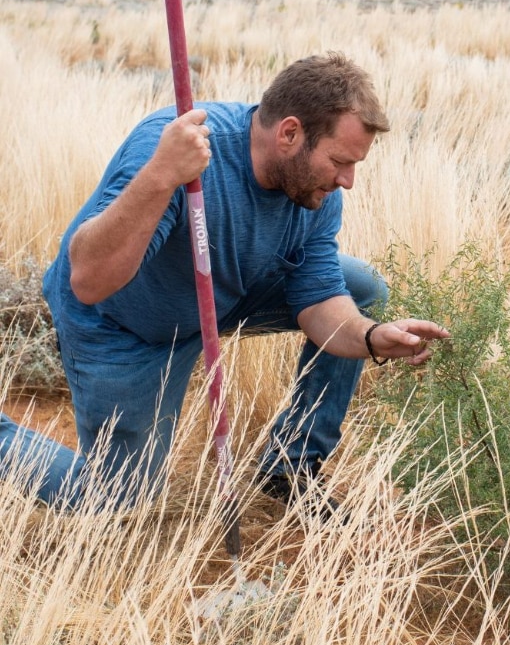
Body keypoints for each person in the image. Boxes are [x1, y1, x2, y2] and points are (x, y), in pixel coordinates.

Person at [0, 52, 448, 515]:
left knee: (361, 290)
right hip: (124, 321)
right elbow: (90, 280)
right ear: (289, 133)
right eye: (339, 161)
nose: (348, 180)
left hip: (222, 292)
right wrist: (162, 175)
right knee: (113, 495)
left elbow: (319, 298)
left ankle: (290, 466)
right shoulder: (175, 147)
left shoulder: (313, 192)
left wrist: (370, 338)